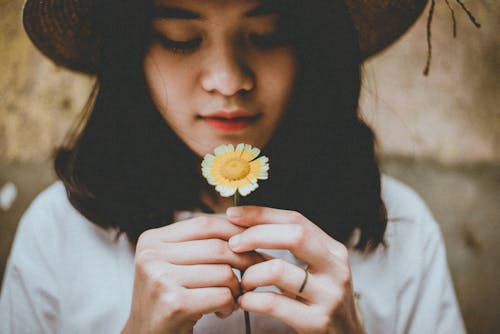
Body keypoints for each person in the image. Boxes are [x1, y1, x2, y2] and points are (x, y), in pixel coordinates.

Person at [0, 0, 466, 333]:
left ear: (312, 46)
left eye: (267, 34)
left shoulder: (401, 227)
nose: (227, 80)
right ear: (133, 51)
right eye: (181, 39)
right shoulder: (58, 232)